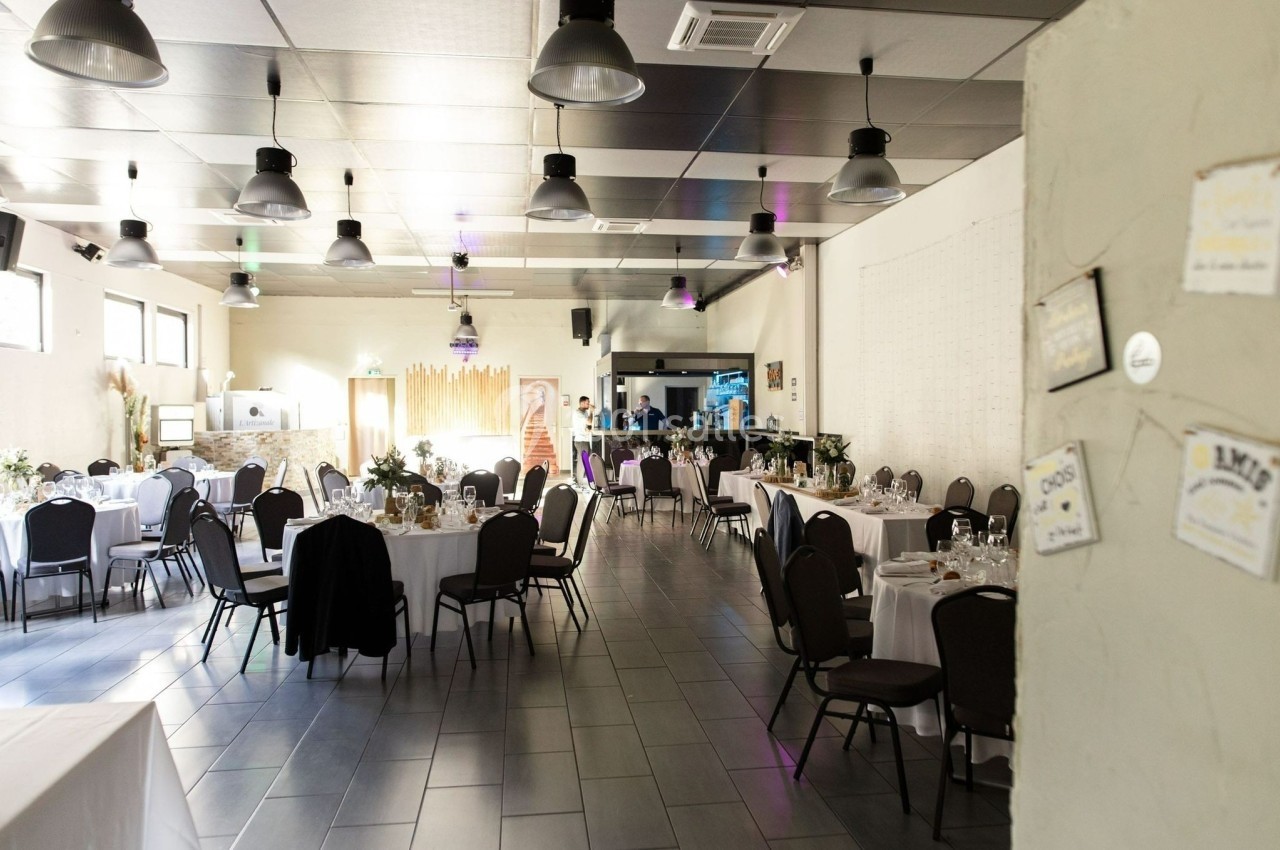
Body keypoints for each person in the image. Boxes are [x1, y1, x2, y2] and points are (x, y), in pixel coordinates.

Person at [571, 396, 595, 486]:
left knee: (587, 460)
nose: (589, 404)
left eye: (589, 402)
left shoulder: (585, 412)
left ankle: (588, 480)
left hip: (585, 439)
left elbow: (587, 426)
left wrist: (588, 429)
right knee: (582, 461)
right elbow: (588, 422)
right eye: (587, 403)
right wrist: (592, 412)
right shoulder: (578, 413)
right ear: (581, 403)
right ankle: (578, 482)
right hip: (580, 440)